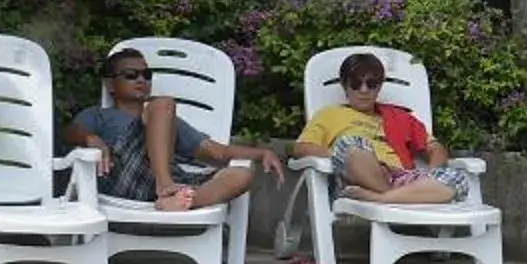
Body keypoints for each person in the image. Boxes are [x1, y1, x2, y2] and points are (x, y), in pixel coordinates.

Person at [67, 49, 285, 215]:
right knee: (163, 103)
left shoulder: (167, 122)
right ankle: (166, 187)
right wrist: (92, 139)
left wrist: (261, 154)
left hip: (169, 182)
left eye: (146, 74)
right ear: (110, 84)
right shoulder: (100, 115)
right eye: (131, 75)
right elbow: (71, 132)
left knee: (242, 174)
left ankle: (184, 200)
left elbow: (217, 153)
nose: (141, 80)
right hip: (122, 177)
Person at [292, 51, 478, 215]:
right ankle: (387, 192)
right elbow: (300, 148)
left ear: (379, 87)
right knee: (350, 143)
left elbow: (436, 148)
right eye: (356, 83)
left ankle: (382, 198)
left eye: (371, 84)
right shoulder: (329, 115)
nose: (364, 90)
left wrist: (431, 172)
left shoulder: (400, 117)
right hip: (355, 181)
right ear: (345, 85)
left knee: (458, 180)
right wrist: (351, 158)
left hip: (399, 180)